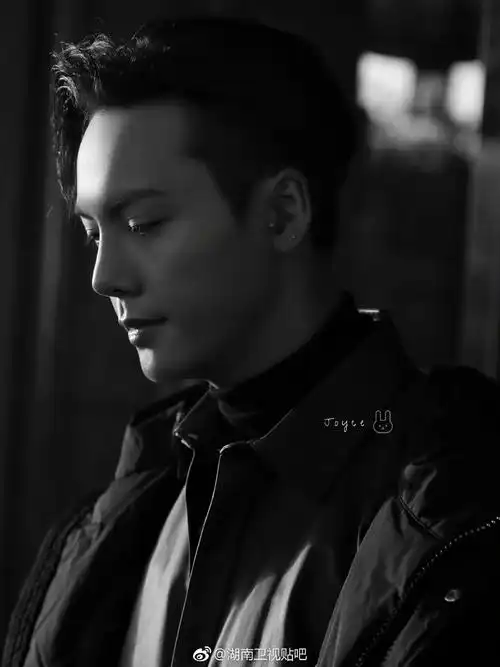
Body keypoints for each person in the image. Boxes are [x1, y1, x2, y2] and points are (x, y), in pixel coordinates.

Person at [3, 15, 500, 667]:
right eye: (95, 232)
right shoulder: (118, 522)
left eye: (144, 223)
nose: (104, 276)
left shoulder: (456, 519)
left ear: (284, 212)